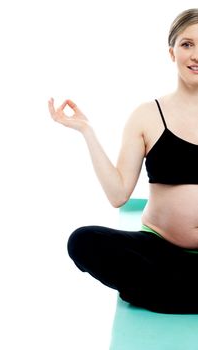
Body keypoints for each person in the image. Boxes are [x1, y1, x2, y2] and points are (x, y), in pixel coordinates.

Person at [48, 8, 198, 314]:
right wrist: (86, 131)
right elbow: (118, 195)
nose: (196, 55)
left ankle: (162, 294)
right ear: (172, 52)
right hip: (159, 250)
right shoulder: (147, 115)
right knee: (84, 241)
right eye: (187, 44)